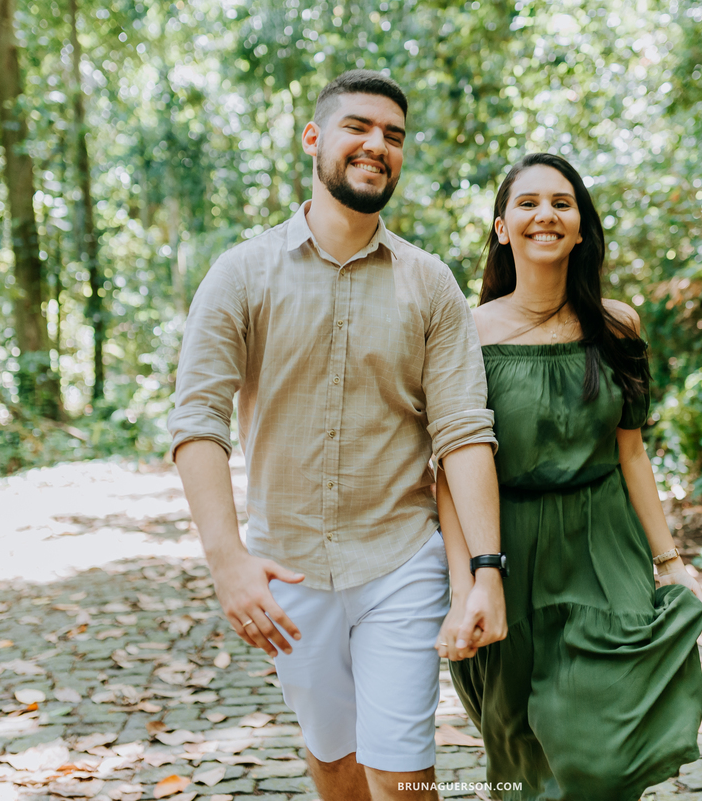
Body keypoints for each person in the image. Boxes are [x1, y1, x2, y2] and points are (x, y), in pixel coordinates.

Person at [167, 70, 508, 801]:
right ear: (314, 139)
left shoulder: (430, 283)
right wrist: (229, 562)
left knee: (402, 766)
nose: (376, 145)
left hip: (400, 558)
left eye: (392, 135)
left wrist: (484, 571)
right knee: (333, 757)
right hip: (286, 566)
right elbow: (198, 422)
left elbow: (463, 433)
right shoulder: (241, 273)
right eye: (358, 126)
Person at [436, 153, 702, 801]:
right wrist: (467, 584)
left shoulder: (617, 324)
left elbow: (631, 452)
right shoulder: (466, 332)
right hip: (509, 545)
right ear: (502, 227)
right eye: (527, 202)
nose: (545, 215)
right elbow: (448, 471)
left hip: (603, 541)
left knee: (600, 747)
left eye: (562, 202)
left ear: (582, 227)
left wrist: (670, 562)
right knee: (520, 746)